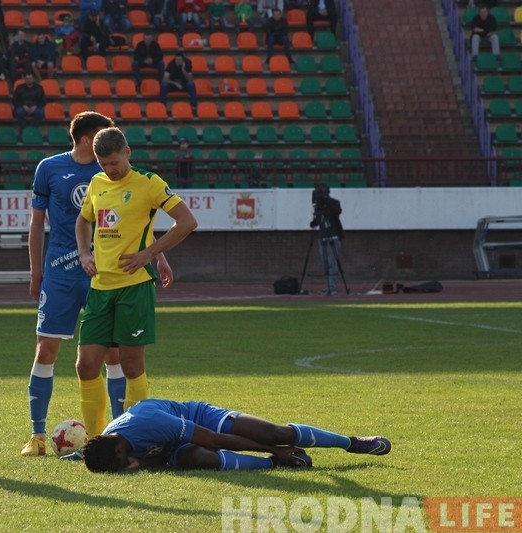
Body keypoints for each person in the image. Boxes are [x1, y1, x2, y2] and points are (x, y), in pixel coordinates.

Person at [21, 112, 175, 457]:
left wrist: (157, 256)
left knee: (114, 355)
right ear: (88, 139)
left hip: (105, 275)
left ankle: (118, 434)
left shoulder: (114, 170)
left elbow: (140, 220)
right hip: (60, 273)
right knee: (47, 351)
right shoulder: (51, 169)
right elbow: (39, 223)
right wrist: (36, 271)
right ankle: (38, 435)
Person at [74, 127, 197, 443]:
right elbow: (84, 219)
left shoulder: (149, 183)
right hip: (100, 288)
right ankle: (94, 441)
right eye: (103, 164)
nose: (110, 170)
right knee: (85, 365)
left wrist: (150, 254)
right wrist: (84, 252)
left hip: (135, 287)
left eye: (114, 162)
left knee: (131, 365)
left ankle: (133, 440)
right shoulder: (97, 184)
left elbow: (186, 221)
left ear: (127, 153)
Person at [82, 398, 392, 472]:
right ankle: (274, 464)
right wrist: (274, 459)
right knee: (198, 458)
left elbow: (215, 439)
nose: (125, 467)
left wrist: (277, 448)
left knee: (274, 433)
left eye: (121, 464)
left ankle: (351, 443)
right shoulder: (108, 446)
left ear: (120, 450)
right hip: (174, 447)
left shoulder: (149, 422)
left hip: (197, 419)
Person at [310, 183, 343, 295]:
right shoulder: (319, 206)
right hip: (322, 236)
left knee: (332, 262)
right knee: (326, 263)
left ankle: (332, 287)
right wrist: (314, 222)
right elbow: (319, 220)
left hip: (333, 235)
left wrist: (327, 201)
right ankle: (329, 285)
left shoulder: (334, 202)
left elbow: (338, 211)